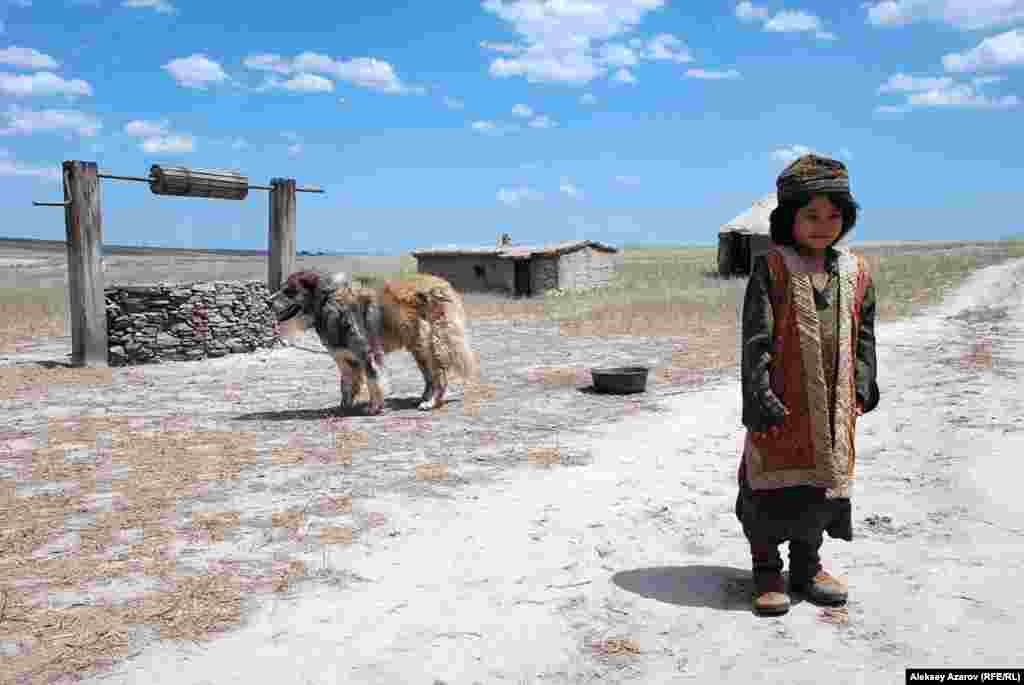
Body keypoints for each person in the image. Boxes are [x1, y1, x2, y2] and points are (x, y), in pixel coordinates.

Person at [735, 153, 880, 616]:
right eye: (811, 215)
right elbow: (756, 338)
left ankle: (807, 566)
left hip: (832, 405)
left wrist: (860, 386)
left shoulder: (856, 273)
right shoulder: (772, 268)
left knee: (820, 488)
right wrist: (760, 398)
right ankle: (766, 570)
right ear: (788, 217)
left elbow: (864, 336)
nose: (823, 225)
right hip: (782, 403)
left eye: (834, 215)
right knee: (769, 488)